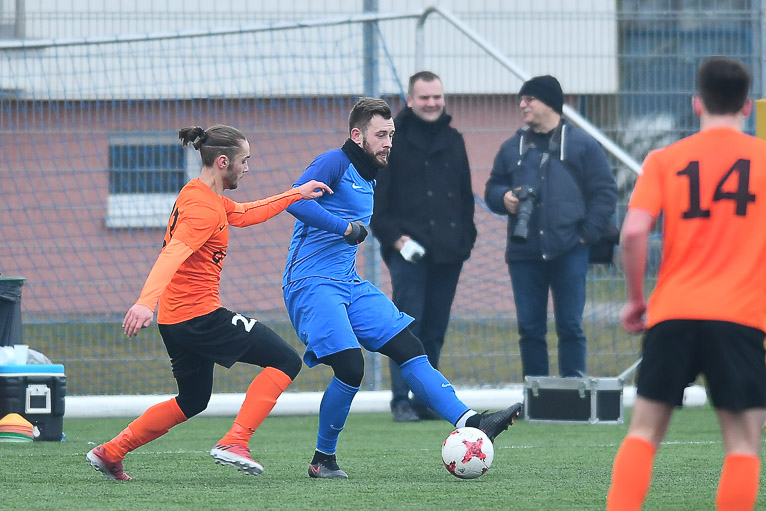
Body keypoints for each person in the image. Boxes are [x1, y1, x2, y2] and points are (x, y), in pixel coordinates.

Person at [282, 97, 522, 479]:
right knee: (350, 366)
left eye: (391, 134)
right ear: (357, 135)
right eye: (380, 135)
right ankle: (323, 459)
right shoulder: (334, 161)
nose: (388, 142)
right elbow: (293, 200)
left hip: (347, 282)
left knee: (409, 346)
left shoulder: (370, 174)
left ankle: (473, 422)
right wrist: (344, 228)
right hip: (311, 283)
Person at [86, 124, 332, 481]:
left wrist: (296, 194)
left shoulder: (198, 194)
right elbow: (172, 254)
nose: (247, 168)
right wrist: (144, 303)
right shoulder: (203, 209)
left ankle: (111, 452)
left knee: (193, 399)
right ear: (223, 162)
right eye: (244, 161)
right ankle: (236, 441)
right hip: (199, 317)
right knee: (285, 360)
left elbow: (243, 213)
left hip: (175, 321)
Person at [607, 57, 766, 511]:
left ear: (697, 104)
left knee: (643, 433)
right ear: (747, 106)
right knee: (742, 445)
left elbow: (633, 233)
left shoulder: (665, 160)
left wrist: (635, 300)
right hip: (739, 317)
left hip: (673, 312)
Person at [484, 75, 617, 378]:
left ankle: (573, 393)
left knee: (570, 326)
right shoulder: (512, 148)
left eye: (529, 99)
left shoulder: (583, 145)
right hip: (524, 253)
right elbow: (493, 188)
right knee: (530, 329)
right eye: (521, 100)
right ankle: (536, 395)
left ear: (550, 103)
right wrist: (503, 197)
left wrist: (586, 235)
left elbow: (605, 192)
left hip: (570, 249)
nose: (522, 105)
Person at [370, 71, 477, 423]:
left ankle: (427, 399)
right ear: (410, 100)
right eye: (424, 97)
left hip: (449, 251)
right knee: (406, 327)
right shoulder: (393, 140)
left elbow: (464, 195)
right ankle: (401, 399)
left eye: (437, 97)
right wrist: (397, 240)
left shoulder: (454, 139)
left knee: (435, 329)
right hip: (407, 252)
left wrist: (466, 239)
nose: (432, 103)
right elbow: (377, 201)